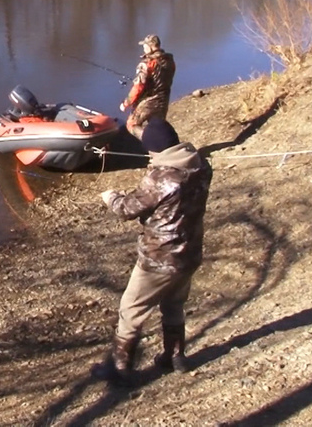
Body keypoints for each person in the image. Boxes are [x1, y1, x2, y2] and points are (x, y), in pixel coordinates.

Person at [92, 139, 213, 386]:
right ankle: (175, 357)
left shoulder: (161, 178)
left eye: (150, 150)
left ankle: (120, 369)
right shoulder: (202, 166)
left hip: (159, 258)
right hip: (189, 254)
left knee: (130, 309)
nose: (148, 154)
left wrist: (111, 197)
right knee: (174, 303)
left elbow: (127, 209)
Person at [120, 34, 176, 140]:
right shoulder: (169, 61)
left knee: (132, 125)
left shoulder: (147, 64)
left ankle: (150, 141)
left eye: (145, 46)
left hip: (149, 101)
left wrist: (126, 103)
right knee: (158, 127)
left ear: (151, 46)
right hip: (164, 99)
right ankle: (160, 150)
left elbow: (138, 87)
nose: (144, 48)